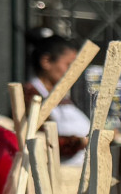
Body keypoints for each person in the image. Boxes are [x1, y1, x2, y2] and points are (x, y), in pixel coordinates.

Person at [24, 29, 89, 160]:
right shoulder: (31, 96)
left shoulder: (64, 96)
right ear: (46, 61)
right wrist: (82, 142)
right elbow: (43, 141)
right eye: (68, 65)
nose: (73, 72)